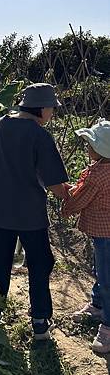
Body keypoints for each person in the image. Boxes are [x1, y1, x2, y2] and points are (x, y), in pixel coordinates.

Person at [0, 82, 68, 340]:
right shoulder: (39, 135)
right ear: (41, 108)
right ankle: (40, 323)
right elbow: (54, 185)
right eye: (51, 108)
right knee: (40, 264)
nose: (52, 114)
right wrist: (71, 195)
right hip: (30, 216)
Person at [62, 119, 110, 353]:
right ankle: (98, 304)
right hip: (105, 233)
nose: (87, 148)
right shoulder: (103, 170)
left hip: (105, 233)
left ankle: (108, 327)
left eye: (90, 144)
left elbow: (81, 199)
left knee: (107, 277)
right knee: (101, 270)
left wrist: (66, 201)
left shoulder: (97, 175)